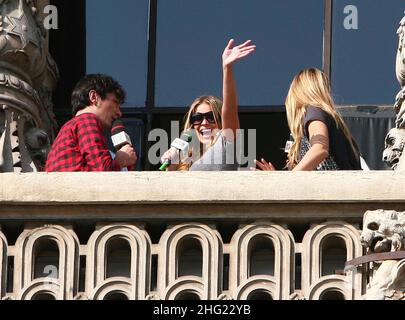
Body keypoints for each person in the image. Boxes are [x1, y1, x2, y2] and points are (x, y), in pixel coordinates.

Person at [161, 39, 256, 171]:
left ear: (220, 120)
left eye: (210, 116)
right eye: (197, 118)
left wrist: (226, 68)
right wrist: (171, 166)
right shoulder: (186, 160)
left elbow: (230, 110)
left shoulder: (225, 144)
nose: (204, 122)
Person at [254, 68, 362, 171]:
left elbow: (320, 148)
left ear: (297, 94)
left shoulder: (314, 110)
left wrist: (287, 180)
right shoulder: (329, 119)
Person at [45, 74, 137, 172]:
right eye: (116, 103)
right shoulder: (86, 120)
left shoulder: (69, 128)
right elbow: (102, 171)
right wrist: (121, 160)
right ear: (94, 97)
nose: (119, 113)